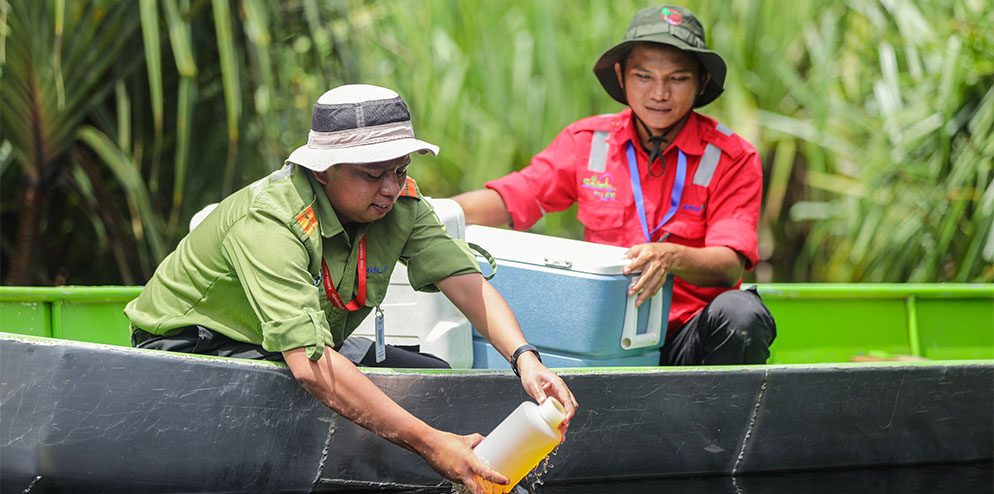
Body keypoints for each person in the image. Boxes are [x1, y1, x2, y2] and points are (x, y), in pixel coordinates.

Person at [124, 84, 577, 493]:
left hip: (297, 344)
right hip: (193, 350)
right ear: (323, 171)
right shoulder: (272, 220)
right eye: (372, 173)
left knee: (431, 376)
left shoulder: (401, 202)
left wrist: (526, 360)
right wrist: (430, 444)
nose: (390, 188)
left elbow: (466, 284)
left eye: (400, 171)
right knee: (306, 397)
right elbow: (310, 365)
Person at [453, 5, 776, 366]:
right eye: (644, 76)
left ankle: (717, 418)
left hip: (688, 331)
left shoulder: (732, 156)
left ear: (701, 82)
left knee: (742, 313)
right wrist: (431, 210)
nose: (659, 93)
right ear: (621, 76)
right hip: (606, 336)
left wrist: (670, 257)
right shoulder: (588, 141)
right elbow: (511, 198)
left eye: (677, 79)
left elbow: (729, 264)